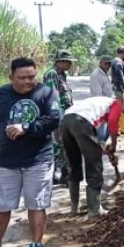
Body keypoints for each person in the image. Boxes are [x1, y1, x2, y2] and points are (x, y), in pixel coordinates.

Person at [0, 57, 60, 247]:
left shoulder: (46, 93)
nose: (28, 81)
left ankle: (36, 245)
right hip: (7, 160)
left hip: (38, 160)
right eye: (22, 78)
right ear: (11, 77)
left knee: (36, 204)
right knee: (1, 206)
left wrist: (25, 128)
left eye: (31, 77)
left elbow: (54, 119)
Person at [60, 96, 124, 219]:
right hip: (81, 122)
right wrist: (114, 145)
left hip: (65, 122)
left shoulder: (96, 106)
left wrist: (108, 151)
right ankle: (94, 210)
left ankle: (74, 208)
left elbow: (96, 141)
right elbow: (112, 124)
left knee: (74, 164)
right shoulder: (116, 104)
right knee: (94, 165)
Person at [44, 49, 76, 185]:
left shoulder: (62, 74)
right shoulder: (52, 74)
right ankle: (55, 175)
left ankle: (63, 174)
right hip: (57, 115)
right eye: (68, 62)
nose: (70, 65)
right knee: (58, 145)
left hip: (65, 113)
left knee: (65, 144)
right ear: (60, 62)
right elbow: (52, 97)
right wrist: (57, 117)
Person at [111, 46, 124, 115]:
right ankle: (120, 124)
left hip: (120, 87)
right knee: (120, 107)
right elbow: (120, 75)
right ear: (123, 53)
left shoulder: (117, 61)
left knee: (122, 107)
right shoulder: (118, 61)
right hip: (120, 88)